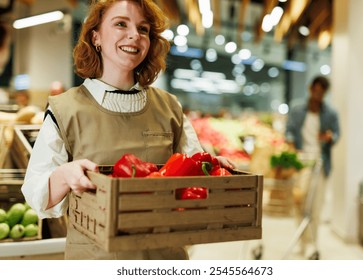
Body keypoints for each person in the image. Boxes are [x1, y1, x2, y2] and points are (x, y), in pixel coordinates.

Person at [21, 0, 234, 260]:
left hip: (164, 260)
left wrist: (214, 169)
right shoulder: (65, 109)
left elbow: (194, 177)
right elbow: (35, 193)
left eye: (143, 29)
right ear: (96, 36)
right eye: (121, 24)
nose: (134, 34)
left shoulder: (169, 107)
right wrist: (64, 176)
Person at [285, 75, 340, 256]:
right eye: (315, 91)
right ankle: (301, 241)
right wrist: (292, 144)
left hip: (320, 164)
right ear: (310, 89)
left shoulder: (330, 114)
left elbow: (337, 134)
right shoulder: (297, 109)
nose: (317, 95)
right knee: (299, 203)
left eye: (321, 93)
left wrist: (330, 137)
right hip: (300, 163)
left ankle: (312, 244)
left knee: (316, 206)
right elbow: (289, 132)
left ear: (325, 93)